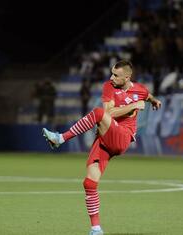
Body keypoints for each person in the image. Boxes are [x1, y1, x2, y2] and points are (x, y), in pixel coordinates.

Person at [42, 60, 162, 235]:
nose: (111, 77)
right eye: (111, 73)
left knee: (97, 113)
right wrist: (133, 106)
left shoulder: (140, 89)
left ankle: (61, 138)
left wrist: (154, 100)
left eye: (116, 75)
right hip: (105, 138)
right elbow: (110, 113)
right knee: (89, 183)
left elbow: (147, 95)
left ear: (127, 77)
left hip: (123, 137)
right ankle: (96, 229)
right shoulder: (109, 87)